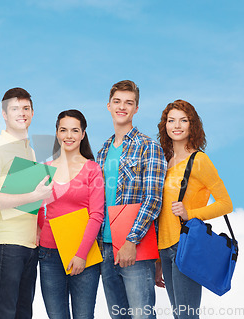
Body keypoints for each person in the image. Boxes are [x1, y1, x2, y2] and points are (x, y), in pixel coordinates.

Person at [0, 88, 53, 319]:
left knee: (23, 313)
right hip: (5, 243)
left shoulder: (29, 150)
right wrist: (34, 196)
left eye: (26, 108)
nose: (22, 113)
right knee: (4, 312)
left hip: (29, 244)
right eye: (15, 109)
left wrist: (39, 227)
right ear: (4, 114)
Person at [97, 80, 167, 319]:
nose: (122, 107)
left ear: (136, 108)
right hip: (105, 248)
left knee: (141, 316)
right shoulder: (103, 151)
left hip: (135, 247)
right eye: (117, 102)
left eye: (129, 103)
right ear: (108, 106)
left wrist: (131, 240)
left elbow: (153, 199)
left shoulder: (148, 147)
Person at [157, 99, 233, 319]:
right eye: (171, 120)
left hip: (186, 245)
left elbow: (225, 203)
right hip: (164, 248)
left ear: (192, 125)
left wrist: (191, 214)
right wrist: (157, 260)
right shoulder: (165, 161)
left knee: (186, 316)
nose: (177, 125)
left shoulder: (199, 161)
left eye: (183, 120)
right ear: (165, 126)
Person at [37, 109, 105, 319]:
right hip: (49, 254)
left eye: (74, 130)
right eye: (63, 130)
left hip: (84, 254)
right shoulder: (45, 168)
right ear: (57, 133)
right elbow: (38, 207)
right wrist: (39, 232)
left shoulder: (92, 169)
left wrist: (81, 254)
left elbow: (96, 215)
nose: (69, 136)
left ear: (83, 134)